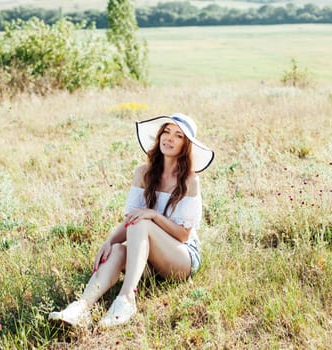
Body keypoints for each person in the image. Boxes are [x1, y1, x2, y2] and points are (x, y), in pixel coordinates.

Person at [49, 113, 214, 327]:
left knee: (143, 222)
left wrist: (153, 215)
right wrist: (110, 242)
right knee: (119, 248)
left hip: (181, 258)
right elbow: (132, 220)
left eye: (178, 136)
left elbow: (183, 234)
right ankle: (81, 308)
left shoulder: (190, 181)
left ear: (186, 145)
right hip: (149, 260)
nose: (169, 138)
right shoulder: (143, 173)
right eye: (166, 131)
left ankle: (126, 298)